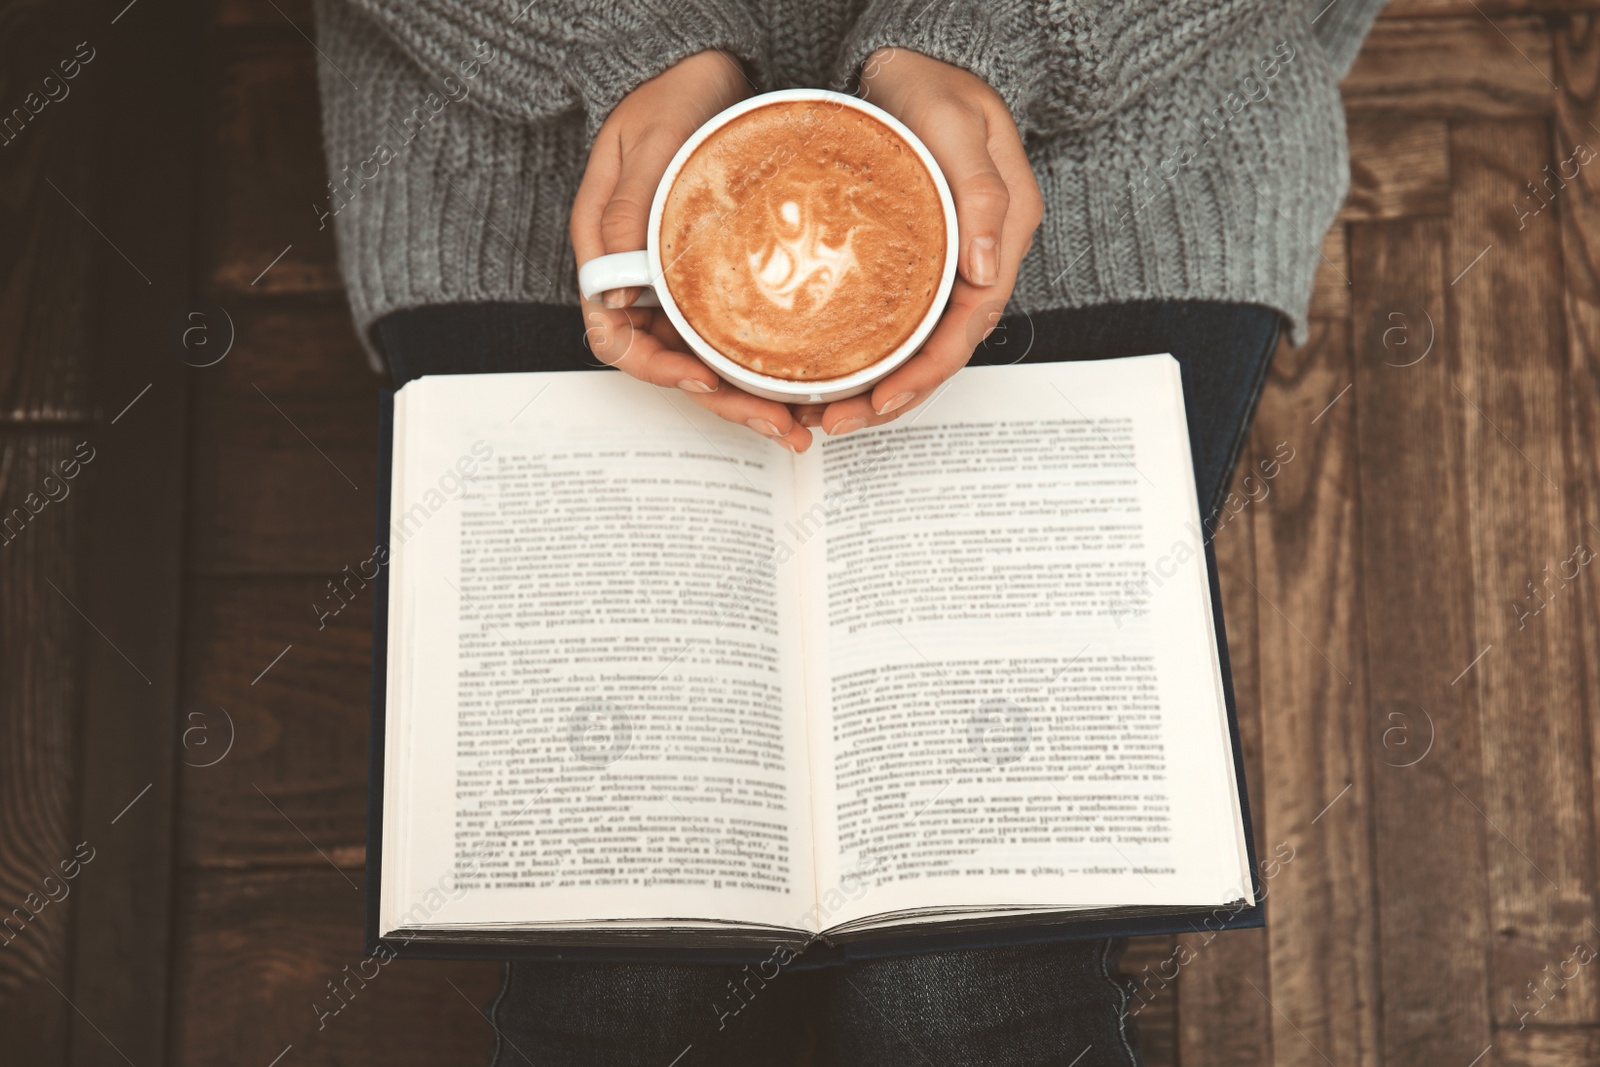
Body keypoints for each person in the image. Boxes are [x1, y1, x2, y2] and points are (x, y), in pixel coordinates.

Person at [313, 1, 1385, 1063]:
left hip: (1114, 161)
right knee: (623, 959)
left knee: (963, 974)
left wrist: (995, 30)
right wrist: (613, 31)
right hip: (525, 164)